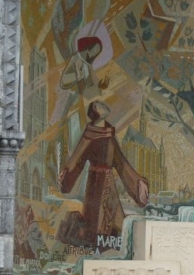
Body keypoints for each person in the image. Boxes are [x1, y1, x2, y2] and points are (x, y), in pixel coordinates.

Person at [59, 101, 149, 245]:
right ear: (95, 112)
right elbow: (78, 159)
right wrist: (67, 174)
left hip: (109, 184)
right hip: (95, 184)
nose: (104, 105)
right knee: (96, 222)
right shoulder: (90, 135)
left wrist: (138, 183)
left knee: (114, 219)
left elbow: (121, 163)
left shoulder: (109, 134)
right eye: (99, 105)